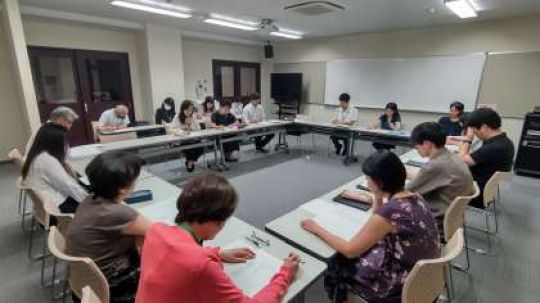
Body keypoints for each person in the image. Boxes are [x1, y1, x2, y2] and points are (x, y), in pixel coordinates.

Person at [135, 173, 300, 303]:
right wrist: (285, 273)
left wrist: (218, 253)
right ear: (216, 221)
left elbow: (176, 257)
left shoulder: (156, 231)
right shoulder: (203, 267)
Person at [301, 151, 440, 303]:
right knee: (360, 250)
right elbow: (378, 215)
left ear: (380, 182)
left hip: (401, 285)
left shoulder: (391, 211)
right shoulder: (414, 196)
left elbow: (350, 251)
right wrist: (378, 195)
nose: (366, 183)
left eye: (368, 179)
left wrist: (317, 229)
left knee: (338, 264)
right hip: (425, 277)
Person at [66, 151, 151, 303]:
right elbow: (155, 230)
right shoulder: (114, 212)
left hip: (85, 284)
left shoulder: (91, 199)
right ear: (122, 189)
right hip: (113, 287)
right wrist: (139, 234)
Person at [406, 122, 474, 236]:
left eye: (417, 146)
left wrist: (371, 197)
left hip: (436, 224)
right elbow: (431, 178)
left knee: (385, 211)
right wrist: (408, 174)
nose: (417, 150)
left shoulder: (436, 165)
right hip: (452, 220)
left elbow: (403, 193)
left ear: (427, 144)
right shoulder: (451, 156)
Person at [22, 123, 88, 213]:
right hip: (56, 208)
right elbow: (68, 187)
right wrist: (89, 200)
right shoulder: (48, 160)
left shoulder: (36, 154)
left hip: (46, 205)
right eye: (65, 143)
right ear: (55, 143)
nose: (67, 146)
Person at [459, 108, 514, 209]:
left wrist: (468, 139)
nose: (475, 135)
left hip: (475, 193)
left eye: (475, 132)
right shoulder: (505, 141)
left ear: (484, 127)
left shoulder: (494, 147)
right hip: (484, 189)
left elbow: (461, 161)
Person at [170, 100, 205, 172]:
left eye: (191, 110)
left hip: (192, 139)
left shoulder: (193, 117)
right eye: (187, 110)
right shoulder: (177, 117)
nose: (189, 112)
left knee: (201, 146)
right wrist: (183, 129)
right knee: (189, 148)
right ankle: (190, 162)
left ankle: (190, 161)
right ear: (183, 109)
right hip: (181, 140)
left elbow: (198, 128)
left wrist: (191, 127)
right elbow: (171, 129)